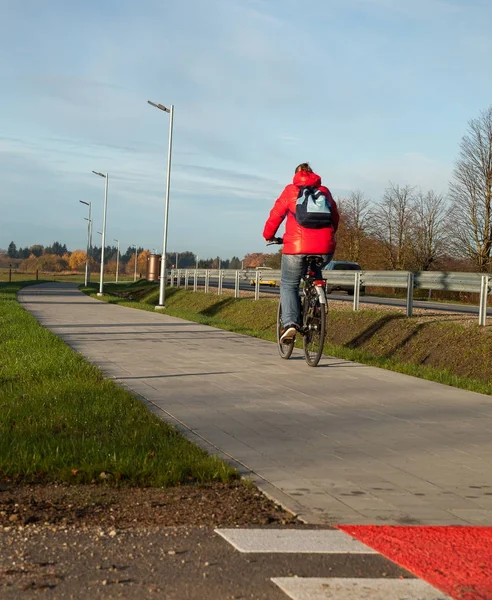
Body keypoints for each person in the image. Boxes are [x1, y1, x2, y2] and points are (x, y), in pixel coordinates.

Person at [263, 163, 339, 342]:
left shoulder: (290, 191)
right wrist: (330, 234)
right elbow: (335, 216)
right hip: (325, 248)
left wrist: (268, 236)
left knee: (289, 284)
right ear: (312, 174)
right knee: (315, 272)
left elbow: (276, 215)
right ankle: (318, 303)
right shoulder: (324, 191)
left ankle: (290, 324)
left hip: (296, 248)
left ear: (296, 175)